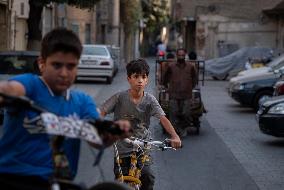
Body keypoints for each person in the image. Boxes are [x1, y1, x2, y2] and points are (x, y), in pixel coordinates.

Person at [0, 28, 130, 190]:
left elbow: (97, 137)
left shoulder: (82, 102)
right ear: (42, 63)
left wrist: (112, 133)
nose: (64, 73)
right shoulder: (31, 85)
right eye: (57, 65)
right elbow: (11, 88)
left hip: (59, 183)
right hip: (13, 178)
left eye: (71, 66)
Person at [100, 59, 181, 190]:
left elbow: (163, 118)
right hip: (122, 148)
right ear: (129, 79)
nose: (140, 80)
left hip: (143, 147)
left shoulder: (150, 100)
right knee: (120, 182)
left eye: (143, 77)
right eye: (136, 76)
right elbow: (102, 112)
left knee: (148, 176)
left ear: (147, 80)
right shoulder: (119, 98)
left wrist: (175, 136)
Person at [163, 48, 198, 137]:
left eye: (183, 55)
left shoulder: (190, 66)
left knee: (186, 113)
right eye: (179, 55)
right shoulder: (171, 66)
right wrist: (166, 86)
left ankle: (183, 127)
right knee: (173, 112)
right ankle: (175, 130)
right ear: (176, 55)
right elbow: (165, 78)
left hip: (186, 94)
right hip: (174, 94)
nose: (181, 57)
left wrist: (191, 87)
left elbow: (195, 78)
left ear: (185, 55)